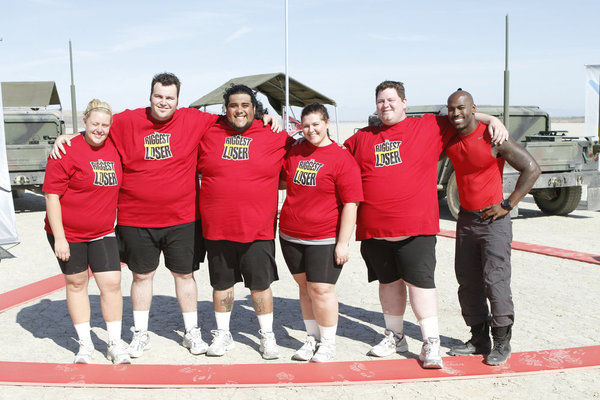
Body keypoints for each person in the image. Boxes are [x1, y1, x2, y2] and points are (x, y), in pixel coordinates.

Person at [51, 73, 280, 359]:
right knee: (141, 276)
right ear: (150, 96)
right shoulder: (128, 121)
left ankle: (192, 331)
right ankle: (140, 333)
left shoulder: (195, 120)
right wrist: (70, 136)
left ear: (177, 100)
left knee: (184, 275)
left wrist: (268, 117)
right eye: (158, 96)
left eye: (169, 97)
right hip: (135, 218)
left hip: (183, 218)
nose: (163, 102)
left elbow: (238, 117)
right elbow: (98, 128)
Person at [343, 80, 509, 369]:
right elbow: (333, 158)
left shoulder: (428, 126)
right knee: (388, 284)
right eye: (381, 101)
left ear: (404, 103)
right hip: (375, 230)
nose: (386, 105)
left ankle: (431, 343)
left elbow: (462, 115)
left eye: (392, 100)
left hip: (416, 228)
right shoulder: (362, 138)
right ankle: (395, 335)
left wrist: (492, 119)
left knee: (421, 285)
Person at [197, 84, 294, 360]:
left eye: (245, 105)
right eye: (233, 105)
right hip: (217, 228)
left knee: (260, 286)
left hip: (257, 229)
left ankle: (267, 335)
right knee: (221, 285)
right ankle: (223, 334)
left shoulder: (273, 134)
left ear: (255, 108)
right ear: (225, 108)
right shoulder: (209, 132)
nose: (239, 110)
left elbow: (296, 165)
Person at [444, 90, 540, 365]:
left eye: (461, 108)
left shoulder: (493, 137)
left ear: (472, 108)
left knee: (495, 281)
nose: (456, 113)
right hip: (466, 220)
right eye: (452, 109)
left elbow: (531, 168)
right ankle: (478, 339)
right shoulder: (449, 134)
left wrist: (508, 205)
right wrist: (492, 116)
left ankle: (501, 343)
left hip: (494, 221)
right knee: (467, 281)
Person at [43, 99, 130, 364]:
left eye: (105, 125)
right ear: (84, 123)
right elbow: (51, 196)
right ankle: (85, 344)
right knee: (77, 283)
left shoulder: (115, 147)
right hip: (67, 233)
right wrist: (60, 238)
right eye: (95, 124)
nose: (99, 129)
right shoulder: (67, 150)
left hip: (103, 231)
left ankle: (114, 342)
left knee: (112, 284)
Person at [278, 103, 363, 362]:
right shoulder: (294, 153)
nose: (311, 130)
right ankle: (311, 337)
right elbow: (281, 180)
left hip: (324, 237)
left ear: (326, 123)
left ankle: (327, 343)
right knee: (305, 288)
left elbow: (351, 203)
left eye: (316, 124)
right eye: (305, 126)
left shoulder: (341, 158)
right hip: (291, 235)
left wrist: (343, 242)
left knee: (321, 289)